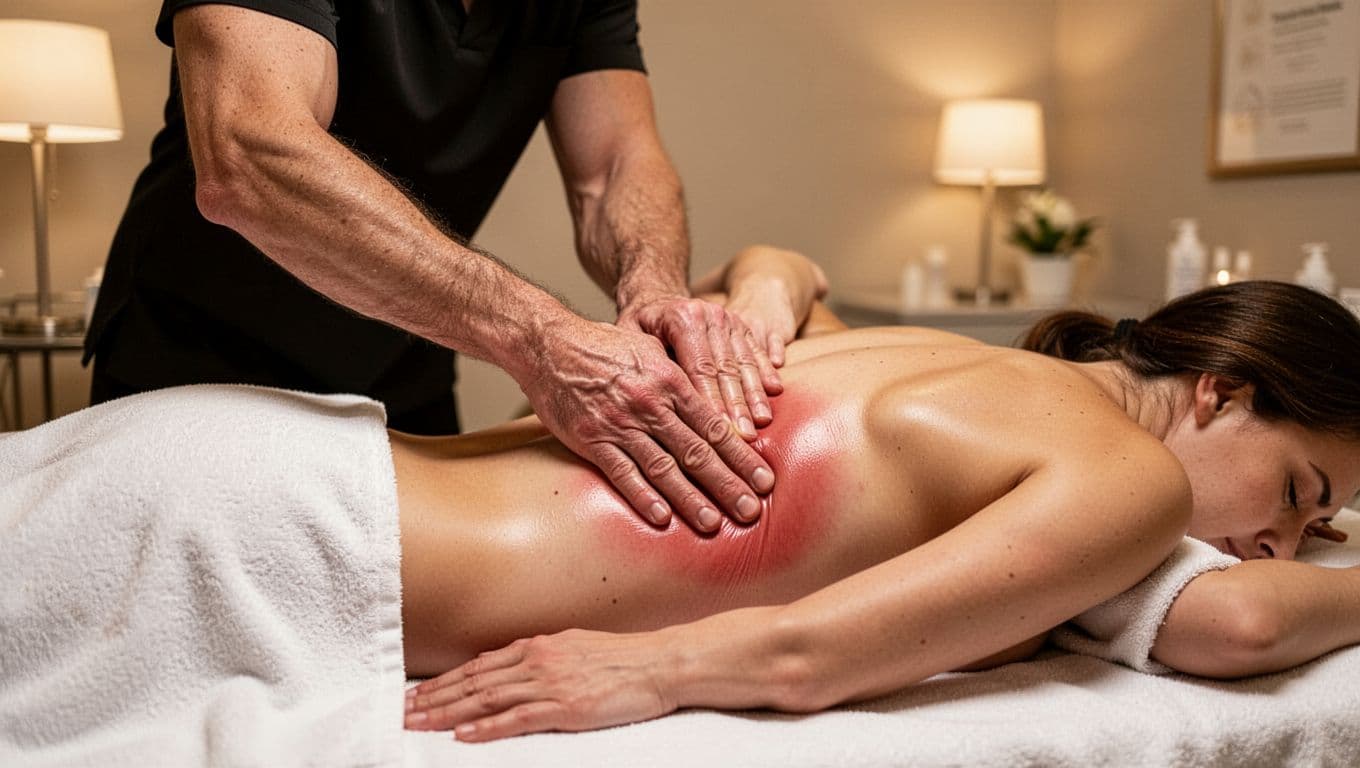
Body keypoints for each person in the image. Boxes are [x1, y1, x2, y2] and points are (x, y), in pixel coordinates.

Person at [20, 249, 1360, 742]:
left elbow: (773, 263)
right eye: (1301, 494)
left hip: (252, 464)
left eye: (1313, 535)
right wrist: (646, 675)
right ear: (1221, 391)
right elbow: (802, 653)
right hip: (288, 548)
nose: (1274, 542)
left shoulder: (976, 376)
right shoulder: (1117, 477)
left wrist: (772, 278)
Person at [82, 0, 792, 533]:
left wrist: (654, 288)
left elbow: (614, 167)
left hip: (399, 366)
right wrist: (542, 338)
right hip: (200, 365)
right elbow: (250, 154)